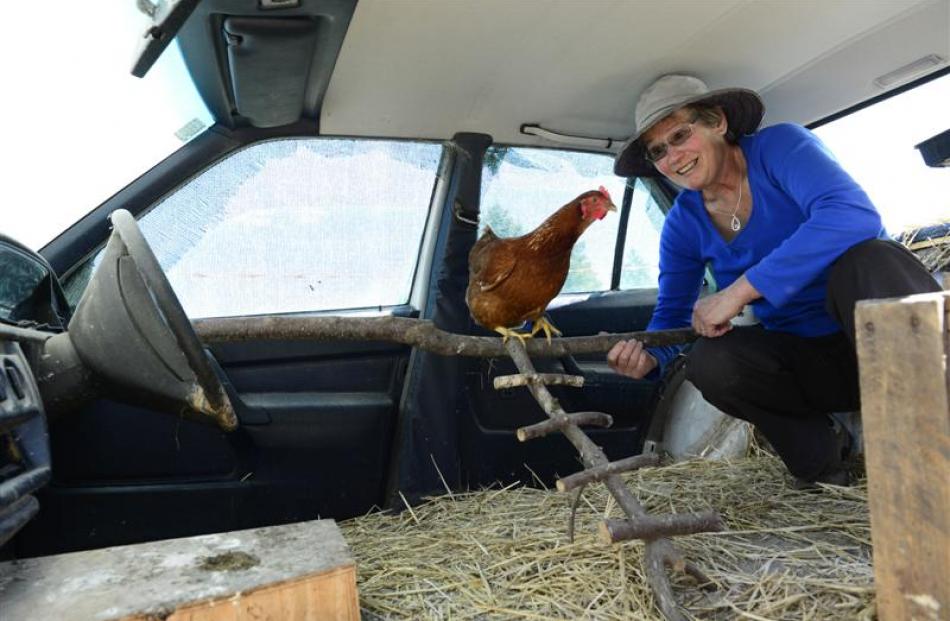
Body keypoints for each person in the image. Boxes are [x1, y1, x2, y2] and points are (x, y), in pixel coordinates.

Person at [607, 74, 941, 485]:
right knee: (710, 362)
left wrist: (740, 290)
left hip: (884, 341)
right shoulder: (682, 224)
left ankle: (933, 437)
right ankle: (823, 467)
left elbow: (853, 215)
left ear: (717, 122)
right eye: (659, 151)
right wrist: (648, 357)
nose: (673, 157)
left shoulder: (779, 148)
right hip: (813, 365)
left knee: (870, 258)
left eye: (680, 135)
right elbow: (673, 316)